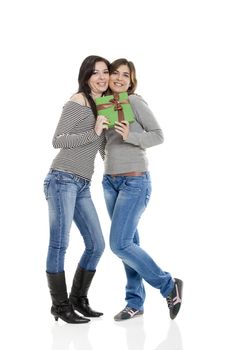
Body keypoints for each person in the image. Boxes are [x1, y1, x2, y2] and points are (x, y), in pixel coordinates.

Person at [102, 58, 183, 321]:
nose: (120, 78)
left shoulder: (135, 102)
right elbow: (104, 144)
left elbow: (158, 135)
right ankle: (134, 302)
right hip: (110, 182)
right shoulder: (103, 106)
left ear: (131, 80)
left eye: (126, 75)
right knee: (129, 244)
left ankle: (168, 285)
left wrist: (131, 137)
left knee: (119, 244)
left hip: (135, 182)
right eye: (115, 73)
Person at [43, 55, 110, 324]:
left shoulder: (103, 106)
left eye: (105, 72)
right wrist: (94, 132)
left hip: (83, 183)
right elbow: (57, 139)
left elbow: (101, 148)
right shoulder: (78, 100)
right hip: (62, 179)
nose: (102, 77)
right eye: (96, 73)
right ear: (86, 76)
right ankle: (59, 306)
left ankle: (77, 299)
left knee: (97, 244)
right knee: (60, 244)